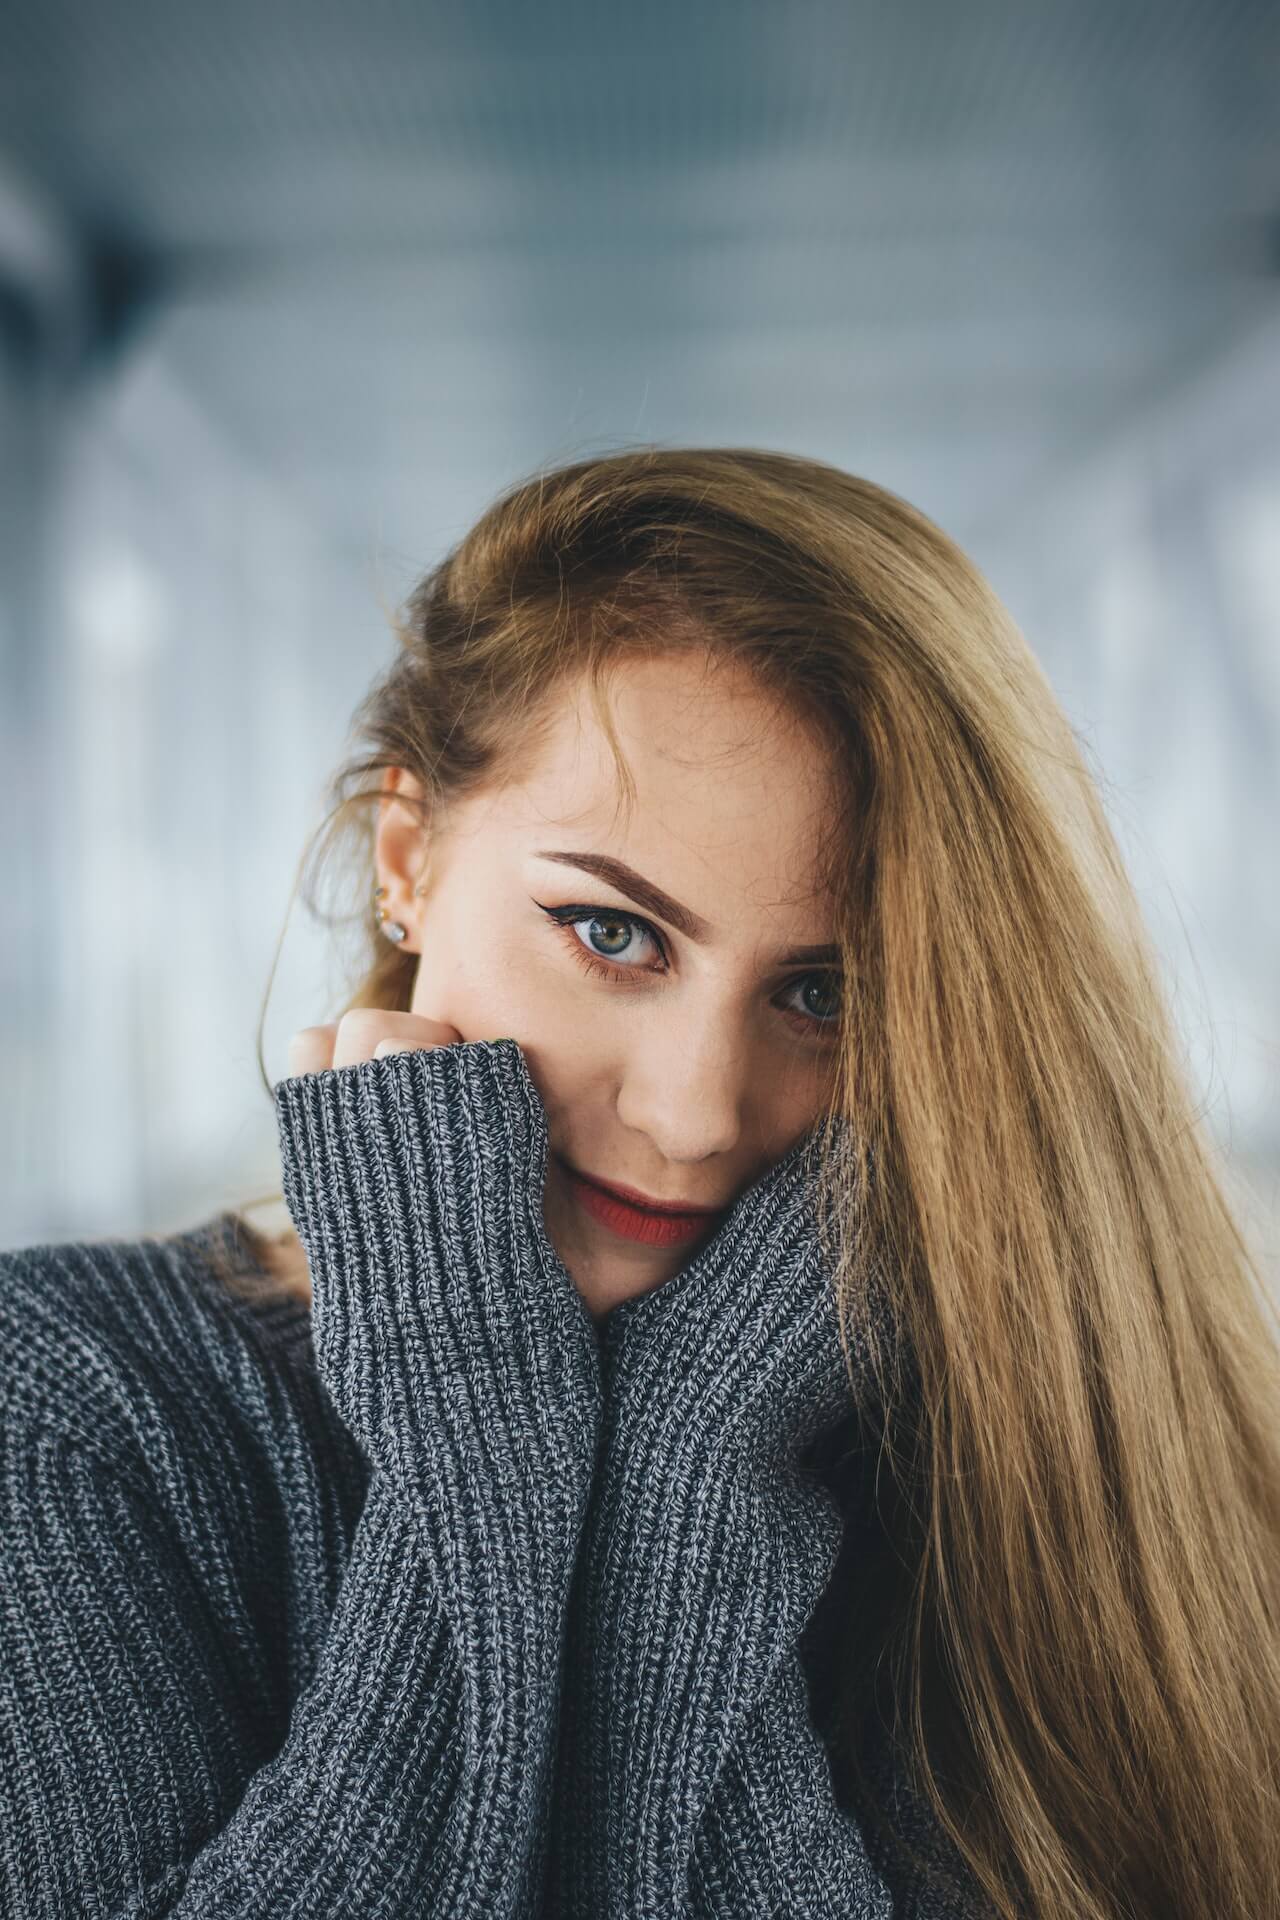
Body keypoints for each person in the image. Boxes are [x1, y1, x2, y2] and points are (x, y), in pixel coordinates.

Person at [2, 447, 1276, 1919]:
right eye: (613, 936)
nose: (693, 1115)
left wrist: (688, 1488)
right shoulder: (68, 1402)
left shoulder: (1028, 1438)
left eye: (826, 994)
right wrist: (473, 1471)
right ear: (406, 856)